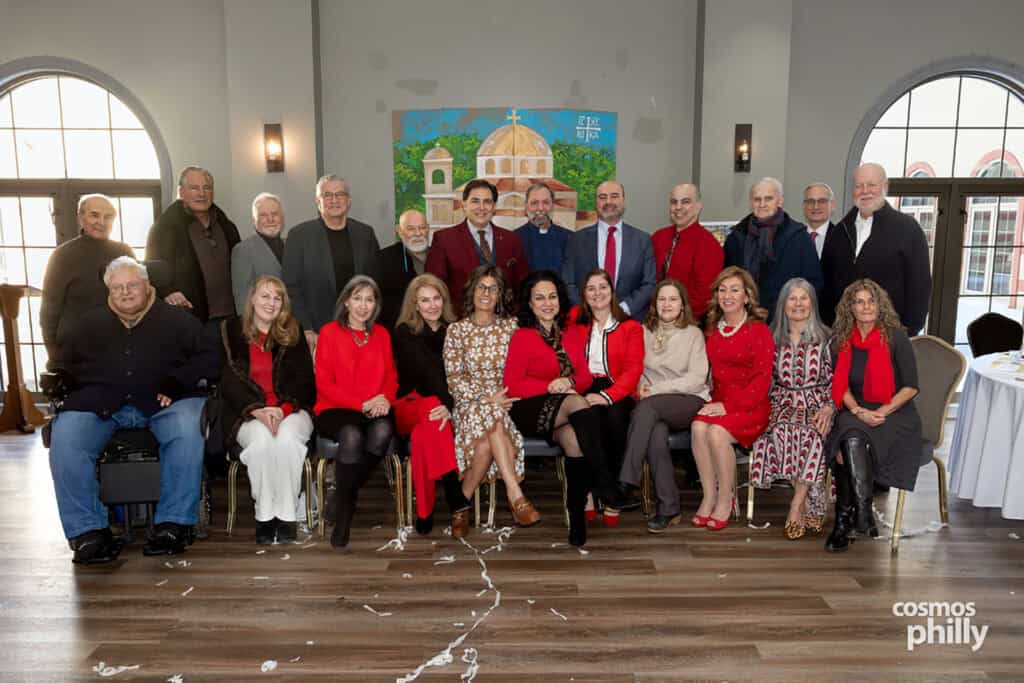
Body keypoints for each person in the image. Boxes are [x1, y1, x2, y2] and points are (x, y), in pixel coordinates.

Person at [48, 256, 220, 563]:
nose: (125, 293)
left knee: (187, 426)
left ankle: (173, 524)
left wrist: (176, 383)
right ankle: (88, 532)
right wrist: (61, 380)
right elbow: (61, 363)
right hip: (101, 402)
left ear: (147, 285)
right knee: (67, 435)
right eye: (117, 288)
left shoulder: (179, 320)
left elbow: (210, 359)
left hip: (164, 401)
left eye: (132, 286)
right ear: (108, 291)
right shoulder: (87, 324)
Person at [503, 271, 612, 547]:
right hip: (528, 409)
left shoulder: (572, 333)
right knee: (579, 402)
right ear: (529, 303)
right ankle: (605, 481)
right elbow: (513, 384)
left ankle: (577, 518)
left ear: (560, 300)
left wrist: (569, 381)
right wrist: (551, 386)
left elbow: (586, 376)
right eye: (539, 298)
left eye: (552, 296)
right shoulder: (522, 336)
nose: (547, 303)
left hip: (563, 407)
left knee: (574, 440)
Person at [825, 279, 922, 553]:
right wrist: (857, 410)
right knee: (850, 434)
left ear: (880, 305)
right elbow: (839, 386)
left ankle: (845, 521)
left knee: (849, 440)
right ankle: (862, 512)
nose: (866, 306)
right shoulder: (842, 339)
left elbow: (911, 386)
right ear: (850, 308)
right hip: (854, 407)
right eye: (859, 301)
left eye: (871, 301)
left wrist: (880, 411)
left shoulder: (896, 337)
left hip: (894, 412)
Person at [217, 276, 315, 544]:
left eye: (277, 297)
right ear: (252, 298)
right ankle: (264, 515)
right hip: (246, 412)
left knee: (285, 440)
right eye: (265, 296)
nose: (271, 303)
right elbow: (228, 379)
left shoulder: (293, 330)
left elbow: (305, 381)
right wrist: (257, 410)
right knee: (260, 442)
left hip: (291, 410)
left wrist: (282, 410)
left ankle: (285, 517)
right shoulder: (230, 330)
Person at [443, 265, 538, 534]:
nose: (486, 293)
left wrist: (502, 397)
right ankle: (515, 494)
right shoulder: (456, 331)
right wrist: (486, 399)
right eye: (481, 287)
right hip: (468, 404)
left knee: (486, 443)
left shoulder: (512, 328)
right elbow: (454, 379)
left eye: (493, 288)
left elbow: (522, 368)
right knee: (491, 417)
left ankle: (460, 504)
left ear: (500, 296)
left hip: (505, 401)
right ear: (472, 291)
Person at [620, 279, 710, 533]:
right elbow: (634, 367)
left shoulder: (693, 333)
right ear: (654, 304)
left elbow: (696, 378)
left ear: (682, 305)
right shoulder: (643, 331)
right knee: (656, 435)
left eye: (673, 299)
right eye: (662, 299)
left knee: (647, 410)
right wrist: (639, 388)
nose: (667, 304)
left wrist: (656, 390)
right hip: (651, 403)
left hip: (689, 399)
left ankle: (627, 479)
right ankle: (669, 508)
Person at [313, 275, 396, 548]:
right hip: (336, 407)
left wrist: (385, 398)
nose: (363, 305)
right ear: (346, 301)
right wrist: (362, 404)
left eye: (369, 300)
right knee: (351, 436)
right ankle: (345, 516)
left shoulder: (381, 334)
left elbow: (391, 376)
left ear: (376, 305)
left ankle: (340, 496)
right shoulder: (329, 332)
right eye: (357, 298)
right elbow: (324, 384)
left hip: (375, 406)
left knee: (383, 431)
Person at [749, 278, 834, 540]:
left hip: (818, 402)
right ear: (783, 305)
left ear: (812, 303)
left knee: (811, 433)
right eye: (792, 298)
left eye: (804, 298)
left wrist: (830, 407)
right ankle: (807, 502)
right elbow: (764, 378)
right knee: (779, 430)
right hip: (781, 401)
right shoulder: (772, 337)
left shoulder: (828, 338)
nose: (798, 304)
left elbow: (838, 380)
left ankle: (796, 505)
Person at [691, 266, 774, 531]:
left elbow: (762, 381)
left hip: (751, 405)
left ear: (747, 296)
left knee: (716, 433)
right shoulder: (713, 329)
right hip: (719, 401)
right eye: (722, 290)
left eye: (734, 290)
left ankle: (726, 499)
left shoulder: (759, 331)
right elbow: (708, 373)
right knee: (697, 427)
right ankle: (709, 496)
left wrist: (727, 406)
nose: (727, 295)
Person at [391, 273, 472, 535]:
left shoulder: (455, 329)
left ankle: (424, 512)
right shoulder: (405, 332)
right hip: (408, 404)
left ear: (444, 300)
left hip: (437, 411)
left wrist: (447, 405)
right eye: (424, 300)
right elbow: (426, 372)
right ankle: (453, 492)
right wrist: (446, 404)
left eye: (437, 298)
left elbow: (463, 371)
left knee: (425, 435)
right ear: (414, 304)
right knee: (430, 409)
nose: (432, 305)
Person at [570, 269, 645, 526]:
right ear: (584, 295)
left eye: (602, 287)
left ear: (612, 292)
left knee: (615, 419)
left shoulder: (630, 327)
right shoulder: (574, 321)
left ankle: (608, 487)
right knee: (586, 421)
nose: (597, 293)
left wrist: (607, 396)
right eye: (591, 288)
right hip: (582, 384)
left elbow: (633, 370)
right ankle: (595, 490)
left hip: (616, 386)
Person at [820, 163, 932, 334]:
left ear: (885, 187)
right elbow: (826, 283)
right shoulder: (839, 231)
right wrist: (829, 325)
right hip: (843, 335)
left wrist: (907, 331)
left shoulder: (908, 229)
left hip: (889, 336)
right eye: (859, 186)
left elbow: (920, 285)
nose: (865, 191)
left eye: (871, 185)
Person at [283, 175, 382, 355]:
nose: (334, 200)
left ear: (348, 200)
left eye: (340, 194)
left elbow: (376, 283)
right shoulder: (299, 236)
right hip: (317, 332)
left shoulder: (365, 234)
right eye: (327, 195)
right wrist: (305, 327)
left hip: (360, 327)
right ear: (317, 201)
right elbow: (291, 288)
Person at [40, 194, 134, 357]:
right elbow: (49, 309)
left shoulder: (124, 251)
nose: (101, 222)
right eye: (94, 215)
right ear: (80, 217)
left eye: (108, 217)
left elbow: (139, 296)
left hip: (119, 344)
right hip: (77, 348)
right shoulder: (62, 255)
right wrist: (54, 356)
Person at [146, 166, 241, 327]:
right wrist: (167, 290)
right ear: (181, 192)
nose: (201, 193)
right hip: (191, 318)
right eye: (194, 188)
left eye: (207, 188)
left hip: (232, 316)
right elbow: (153, 268)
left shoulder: (227, 226)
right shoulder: (164, 228)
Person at [723, 177, 822, 319]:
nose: (762, 204)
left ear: (780, 201)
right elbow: (726, 279)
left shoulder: (799, 238)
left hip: (785, 320)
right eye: (757, 199)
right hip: (744, 317)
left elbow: (812, 284)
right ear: (751, 202)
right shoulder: (737, 237)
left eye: (768, 198)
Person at [426, 179, 528, 316]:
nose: (481, 207)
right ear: (464, 204)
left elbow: (522, 285)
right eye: (475, 201)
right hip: (461, 323)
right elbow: (434, 286)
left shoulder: (512, 239)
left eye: (487, 201)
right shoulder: (444, 240)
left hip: (504, 324)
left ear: (494, 206)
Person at [562, 181, 656, 321]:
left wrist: (622, 310)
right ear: (596, 203)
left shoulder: (642, 240)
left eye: (614, 196)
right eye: (602, 197)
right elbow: (568, 282)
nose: (608, 201)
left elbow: (649, 283)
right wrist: (588, 309)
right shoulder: (576, 240)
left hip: (629, 321)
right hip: (588, 321)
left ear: (624, 200)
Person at [650, 184, 723, 320]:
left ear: (698, 206)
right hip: (654, 319)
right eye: (674, 202)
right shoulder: (658, 237)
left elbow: (704, 296)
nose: (678, 207)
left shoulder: (708, 245)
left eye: (685, 202)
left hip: (688, 323)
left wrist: (675, 318)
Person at [231, 193, 287, 315]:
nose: (270, 219)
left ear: (282, 217)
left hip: (293, 323)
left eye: (274, 214)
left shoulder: (291, 244)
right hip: (263, 325)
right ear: (254, 219)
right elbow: (242, 300)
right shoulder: (243, 250)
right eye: (263, 215)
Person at [380, 209, 431, 329]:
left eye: (422, 227)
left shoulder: (439, 255)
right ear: (400, 232)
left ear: (428, 229)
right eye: (411, 229)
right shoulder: (384, 258)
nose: (418, 233)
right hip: (399, 330)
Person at [515, 182, 571, 274]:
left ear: (553, 205)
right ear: (526, 206)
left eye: (546, 202)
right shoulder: (514, 239)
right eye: (534, 203)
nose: (540, 208)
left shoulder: (569, 238)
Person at [802, 182, 836, 262]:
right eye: (810, 201)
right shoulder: (793, 238)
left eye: (822, 201)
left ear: (832, 205)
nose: (816, 206)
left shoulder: (842, 239)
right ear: (804, 206)